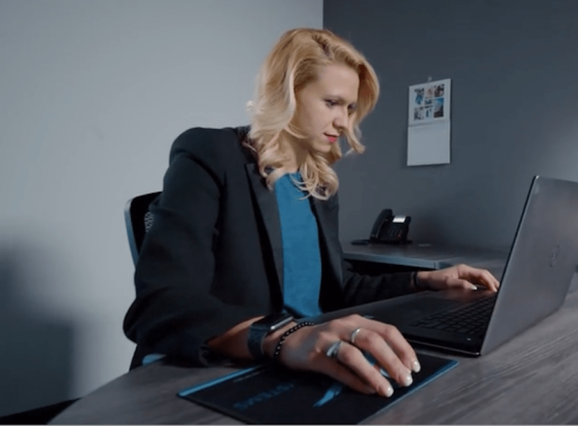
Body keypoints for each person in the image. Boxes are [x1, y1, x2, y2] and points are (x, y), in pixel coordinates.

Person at [123, 28, 499, 399]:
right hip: (235, 364)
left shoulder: (316, 184)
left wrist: (425, 280)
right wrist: (286, 335)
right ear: (286, 93)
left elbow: (339, 288)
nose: (345, 122)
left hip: (310, 359)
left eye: (350, 108)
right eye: (332, 103)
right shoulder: (211, 153)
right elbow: (162, 303)